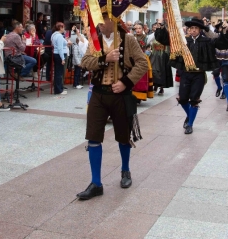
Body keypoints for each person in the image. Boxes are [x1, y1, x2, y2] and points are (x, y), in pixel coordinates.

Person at [76, 11, 149, 200]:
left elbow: (142, 63)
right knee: (93, 136)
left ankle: (125, 171)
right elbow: (84, 62)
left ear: (113, 20)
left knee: (123, 136)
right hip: (99, 94)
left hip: (121, 95)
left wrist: (126, 81)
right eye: (98, 20)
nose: (99, 23)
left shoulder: (128, 39)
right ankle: (96, 183)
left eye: (103, 19)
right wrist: (104, 59)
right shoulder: (95, 40)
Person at [156, 18, 228, 134]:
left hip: (199, 75)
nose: (193, 30)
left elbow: (225, 44)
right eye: (191, 28)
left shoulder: (207, 41)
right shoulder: (183, 41)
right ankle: (189, 115)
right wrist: (162, 26)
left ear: (200, 29)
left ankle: (190, 124)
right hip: (186, 74)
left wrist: (223, 31)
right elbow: (167, 40)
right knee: (182, 99)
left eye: (196, 28)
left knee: (194, 99)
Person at [149, 22, 173, 95]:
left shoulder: (166, 33)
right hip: (155, 54)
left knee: (162, 71)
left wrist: (162, 29)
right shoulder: (155, 32)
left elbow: (164, 40)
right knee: (154, 70)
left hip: (163, 55)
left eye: (161, 25)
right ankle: (155, 85)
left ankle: (161, 87)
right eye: (156, 25)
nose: (158, 26)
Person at [52, 22, 68, 95]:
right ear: (60, 28)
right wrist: (62, 58)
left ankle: (58, 88)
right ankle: (58, 90)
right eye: (63, 27)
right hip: (59, 54)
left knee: (57, 72)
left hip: (56, 54)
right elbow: (60, 48)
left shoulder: (54, 35)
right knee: (59, 73)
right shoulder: (59, 36)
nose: (64, 29)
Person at [71, 25, 88, 89]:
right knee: (77, 73)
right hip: (77, 63)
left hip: (79, 62)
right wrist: (78, 63)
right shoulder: (76, 47)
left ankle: (77, 83)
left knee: (78, 73)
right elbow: (75, 55)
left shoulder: (79, 46)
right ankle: (76, 84)